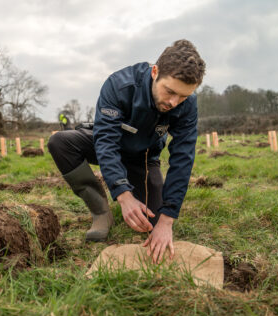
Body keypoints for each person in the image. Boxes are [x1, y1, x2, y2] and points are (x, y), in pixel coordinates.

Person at [48, 39, 206, 263]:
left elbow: (183, 157)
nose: (174, 102)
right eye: (169, 91)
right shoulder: (119, 85)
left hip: (143, 158)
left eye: (183, 96)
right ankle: (101, 212)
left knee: (152, 220)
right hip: (109, 144)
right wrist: (123, 195)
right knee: (60, 143)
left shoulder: (187, 105)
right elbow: (105, 142)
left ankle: (148, 202)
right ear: (155, 72)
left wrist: (167, 219)